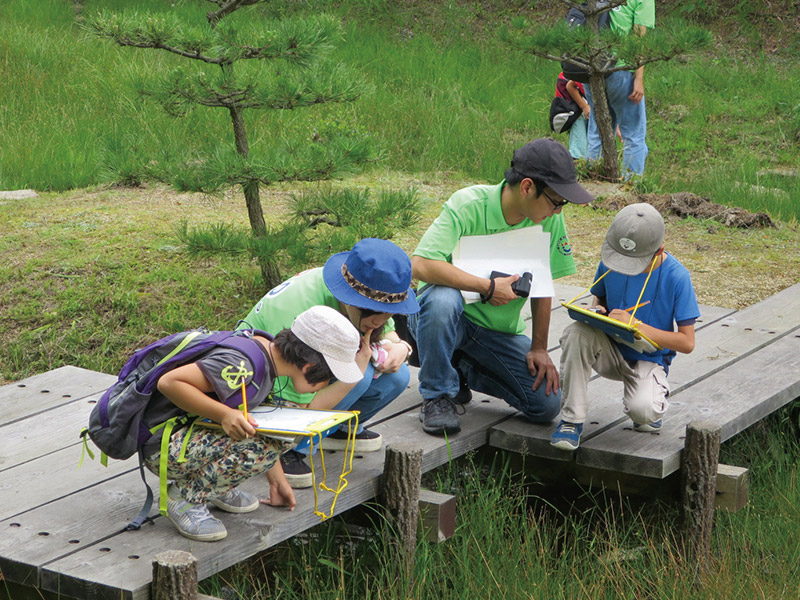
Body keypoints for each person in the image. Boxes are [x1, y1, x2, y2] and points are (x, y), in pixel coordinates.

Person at [408, 138, 594, 436]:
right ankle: (437, 395)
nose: (559, 211)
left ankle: (457, 368)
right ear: (527, 187)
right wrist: (486, 287)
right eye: (556, 200)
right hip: (451, 317)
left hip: (495, 332)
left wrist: (539, 348)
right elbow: (421, 264)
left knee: (546, 404)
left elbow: (543, 286)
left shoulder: (548, 220)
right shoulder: (468, 204)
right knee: (442, 300)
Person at [143, 306, 364, 541]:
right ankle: (184, 498)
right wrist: (223, 415)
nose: (326, 383)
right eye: (328, 378)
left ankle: (212, 484)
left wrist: (277, 481)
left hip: (188, 436)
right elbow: (169, 382)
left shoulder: (266, 352)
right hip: (162, 449)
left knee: (282, 423)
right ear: (310, 367)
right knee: (264, 442)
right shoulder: (243, 365)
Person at [239, 238, 419, 487]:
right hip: (266, 393)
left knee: (398, 376)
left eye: (389, 313)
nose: (380, 321)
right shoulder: (303, 314)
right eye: (372, 312)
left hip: (302, 381)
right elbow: (298, 407)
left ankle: (336, 430)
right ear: (350, 298)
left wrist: (401, 347)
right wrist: (353, 377)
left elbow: (385, 329)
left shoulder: (355, 287)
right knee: (361, 375)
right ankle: (289, 449)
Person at [550, 203, 700, 451]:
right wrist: (596, 310)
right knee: (575, 333)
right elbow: (600, 297)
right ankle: (570, 420)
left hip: (648, 358)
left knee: (643, 412)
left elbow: (687, 342)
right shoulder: (611, 262)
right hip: (609, 348)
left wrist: (637, 325)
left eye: (635, 261)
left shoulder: (677, 277)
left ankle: (650, 399)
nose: (624, 266)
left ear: (660, 249)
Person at [584, 0, 655, 177]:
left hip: (591, 68)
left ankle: (592, 184)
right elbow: (639, 40)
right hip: (620, 70)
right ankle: (630, 188)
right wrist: (639, 77)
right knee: (633, 136)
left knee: (597, 131)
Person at [555, 71, 591, 160]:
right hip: (577, 111)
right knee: (579, 146)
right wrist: (584, 107)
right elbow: (570, 86)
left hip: (585, 108)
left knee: (589, 141)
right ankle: (577, 166)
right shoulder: (584, 73)